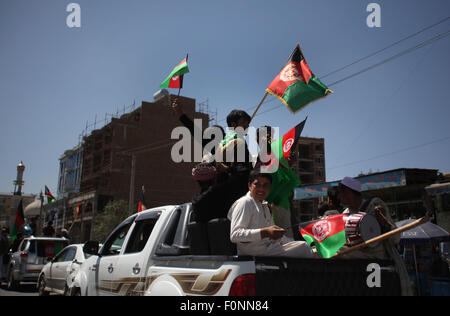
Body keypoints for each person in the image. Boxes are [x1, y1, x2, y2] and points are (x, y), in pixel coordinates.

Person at [337, 176, 412, 296]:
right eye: (340, 193)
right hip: (356, 261)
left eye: (343, 192)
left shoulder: (373, 205)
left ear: (353, 192)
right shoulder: (344, 214)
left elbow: (395, 238)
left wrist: (384, 223)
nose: (339, 197)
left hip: (377, 259)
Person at [228, 169, 315, 258]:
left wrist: (286, 238)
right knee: (303, 248)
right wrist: (265, 232)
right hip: (253, 253)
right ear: (249, 186)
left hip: (268, 248)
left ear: (270, 188)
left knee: (305, 246)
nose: (261, 189)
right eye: (257, 184)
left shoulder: (264, 205)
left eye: (265, 185)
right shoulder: (245, 202)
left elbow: (275, 236)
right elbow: (235, 235)